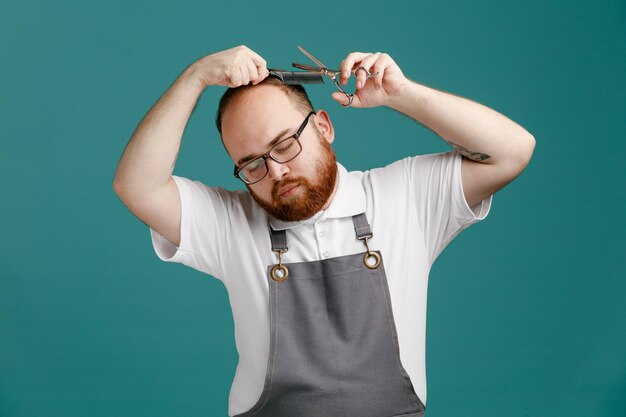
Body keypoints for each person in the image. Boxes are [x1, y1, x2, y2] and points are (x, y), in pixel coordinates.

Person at [113, 45, 535, 417]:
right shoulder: (230, 223)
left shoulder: (404, 196)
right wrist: (195, 76)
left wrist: (400, 94)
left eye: (283, 145)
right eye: (252, 164)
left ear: (323, 127)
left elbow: (511, 152)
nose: (276, 171)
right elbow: (137, 185)